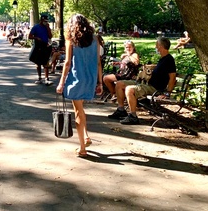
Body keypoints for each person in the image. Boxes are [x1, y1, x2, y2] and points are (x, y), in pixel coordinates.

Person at [56, 14, 103, 157]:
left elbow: (68, 63)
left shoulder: (71, 40)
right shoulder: (95, 39)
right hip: (90, 79)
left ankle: (82, 148)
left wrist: (61, 82)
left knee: (78, 112)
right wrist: (100, 82)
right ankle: (86, 136)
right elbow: (98, 62)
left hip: (76, 79)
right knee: (81, 110)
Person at [108, 37, 176, 125]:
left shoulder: (169, 60)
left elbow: (172, 78)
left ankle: (133, 116)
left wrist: (167, 93)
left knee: (129, 89)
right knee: (119, 84)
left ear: (160, 46)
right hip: (146, 84)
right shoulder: (162, 59)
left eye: (156, 45)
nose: (156, 47)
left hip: (154, 88)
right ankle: (121, 110)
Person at [28, 14, 53, 85]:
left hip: (45, 45)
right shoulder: (36, 27)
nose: (46, 22)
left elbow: (50, 36)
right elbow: (30, 36)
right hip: (38, 46)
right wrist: (36, 38)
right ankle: (39, 78)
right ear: (41, 20)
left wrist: (48, 28)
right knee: (38, 63)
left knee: (45, 62)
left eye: (46, 21)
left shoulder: (47, 27)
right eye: (44, 21)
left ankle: (47, 78)